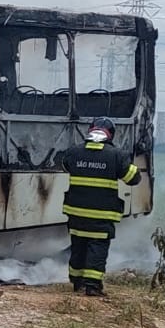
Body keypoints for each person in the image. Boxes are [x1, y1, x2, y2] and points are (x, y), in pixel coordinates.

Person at [60, 118, 141, 297]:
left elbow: (65, 165)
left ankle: (76, 282)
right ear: (111, 134)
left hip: (76, 212)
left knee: (78, 245)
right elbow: (133, 179)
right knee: (97, 248)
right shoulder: (117, 155)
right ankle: (93, 286)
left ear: (90, 130)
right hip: (101, 215)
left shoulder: (74, 152)